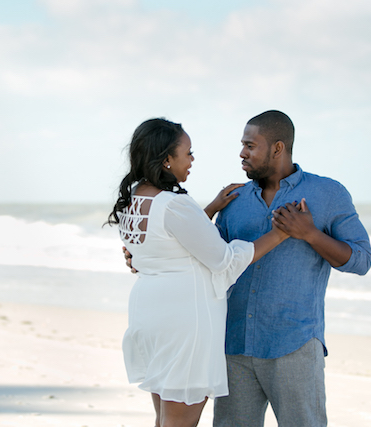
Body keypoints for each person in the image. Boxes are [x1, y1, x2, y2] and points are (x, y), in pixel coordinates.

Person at [107, 118, 291, 427]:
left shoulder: (135, 199)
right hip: (184, 324)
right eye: (188, 153)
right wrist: (281, 233)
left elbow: (170, 240)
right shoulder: (175, 204)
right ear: (166, 159)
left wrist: (210, 208)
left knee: (165, 419)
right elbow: (224, 260)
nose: (192, 159)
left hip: (150, 317)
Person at [209, 110, 371, 427]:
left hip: (294, 345)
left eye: (250, 145)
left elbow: (361, 259)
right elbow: (211, 261)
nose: (242, 153)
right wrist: (150, 257)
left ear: (278, 148)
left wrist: (310, 234)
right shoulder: (233, 199)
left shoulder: (328, 194)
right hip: (234, 346)